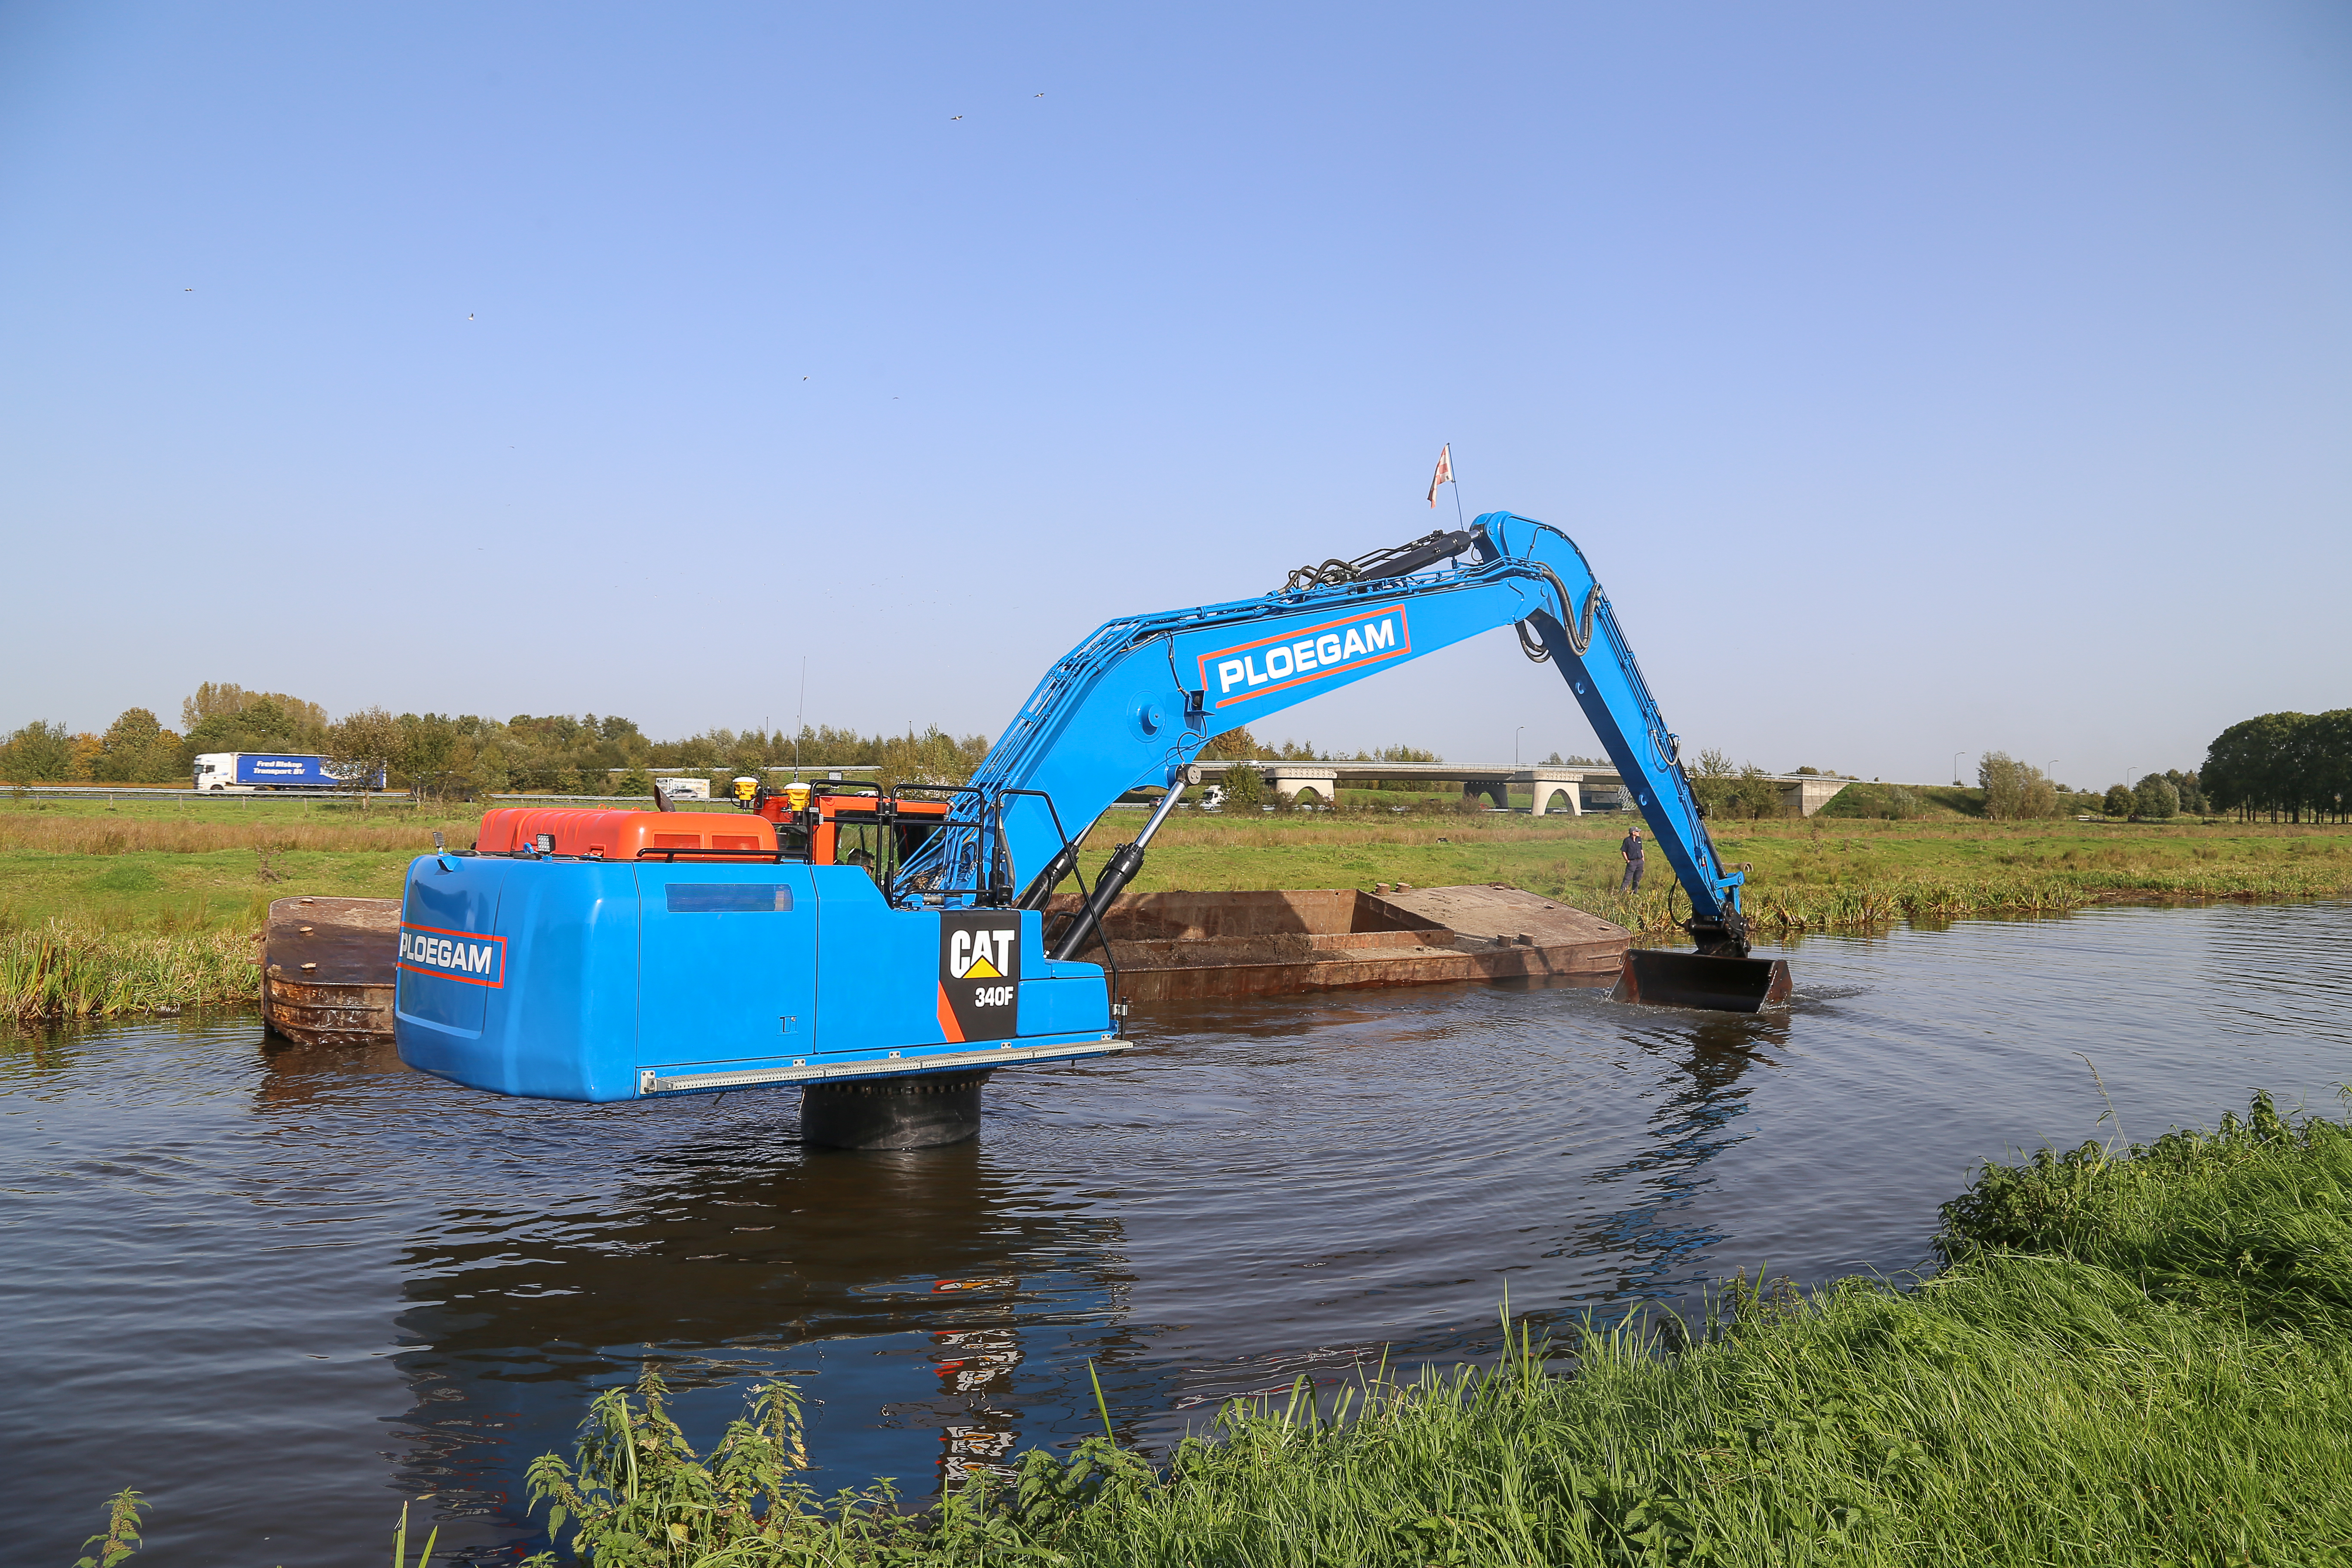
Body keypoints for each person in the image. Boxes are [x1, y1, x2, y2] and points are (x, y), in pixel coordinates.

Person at [1619, 825, 1645, 892]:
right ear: (1633, 833)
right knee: (1627, 878)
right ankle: (1623, 892)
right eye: (1637, 831)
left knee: (1637, 879)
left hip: (1640, 862)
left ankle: (1634, 892)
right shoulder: (1627, 841)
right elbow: (1624, 851)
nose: (1639, 833)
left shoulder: (1639, 840)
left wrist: (1643, 859)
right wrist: (1628, 861)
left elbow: (1641, 849)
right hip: (1632, 862)